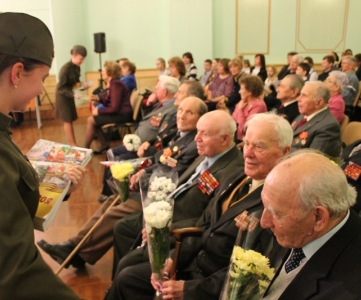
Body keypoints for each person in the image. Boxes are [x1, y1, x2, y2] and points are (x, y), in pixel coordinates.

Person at [0, 12, 86, 299]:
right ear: (17, 73)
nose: (42, 88)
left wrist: (58, 186)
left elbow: (3, 200)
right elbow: (15, 272)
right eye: (42, 77)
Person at [115, 113, 293, 300]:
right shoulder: (238, 177)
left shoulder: (279, 202)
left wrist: (189, 290)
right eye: (247, 143)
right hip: (194, 265)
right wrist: (172, 260)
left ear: (284, 151)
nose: (247, 153)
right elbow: (205, 226)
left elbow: (253, 271)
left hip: (215, 287)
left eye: (259, 146)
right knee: (128, 278)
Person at [37, 97, 207, 270]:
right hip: (150, 186)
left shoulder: (194, 143)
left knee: (117, 211)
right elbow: (160, 160)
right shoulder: (179, 134)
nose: (182, 115)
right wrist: (142, 172)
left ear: (201, 118)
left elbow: (173, 175)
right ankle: (76, 249)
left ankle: (74, 249)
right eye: (180, 110)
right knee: (111, 203)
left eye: (189, 112)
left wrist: (143, 177)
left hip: (161, 196)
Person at [110, 111, 244, 285]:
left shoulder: (232, 171)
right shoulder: (208, 153)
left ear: (225, 139)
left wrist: (163, 228)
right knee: (121, 229)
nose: (196, 138)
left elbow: (207, 220)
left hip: (179, 231)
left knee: (126, 269)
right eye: (198, 132)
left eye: (204, 134)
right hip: (166, 212)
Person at [261, 150, 361, 300]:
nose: (264, 222)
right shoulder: (298, 224)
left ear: (319, 218)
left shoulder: (349, 289)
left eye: (276, 213)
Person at [84, 61, 132, 154]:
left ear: (110, 73)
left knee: (91, 120)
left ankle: (85, 149)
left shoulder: (116, 84)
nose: (102, 72)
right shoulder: (114, 83)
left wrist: (99, 112)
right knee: (93, 120)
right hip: (121, 113)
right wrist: (98, 98)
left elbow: (114, 107)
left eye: (104, 71)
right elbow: (109, 100)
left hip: (122, 115)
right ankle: (103, 144)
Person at [291, 81, 341, 160]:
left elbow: (312, 159)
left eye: (304, 95)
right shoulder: (303, 115)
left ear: (318, 102)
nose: (298, 99)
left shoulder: (328, 126)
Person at [55, 45, 88, 146]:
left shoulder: (77, 68)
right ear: (74, 55)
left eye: (83, 59)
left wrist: (83, 85)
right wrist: (73, 94)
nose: (82, 61)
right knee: (67, 119)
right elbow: (61, 88)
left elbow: (75, 82)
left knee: (70, 118)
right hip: (62, 96)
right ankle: (73, 144)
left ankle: (73, 143)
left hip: (69, 94)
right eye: (80, 59)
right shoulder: (65, 69)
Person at [232, 75, 267, 141]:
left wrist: (240, 110)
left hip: (246, 140)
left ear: (250, 91)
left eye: (242, 89)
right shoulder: (243, 101)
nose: (239, 91)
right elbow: (233, 119)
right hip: (235, 136)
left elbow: (244, 128)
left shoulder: (259, 106)